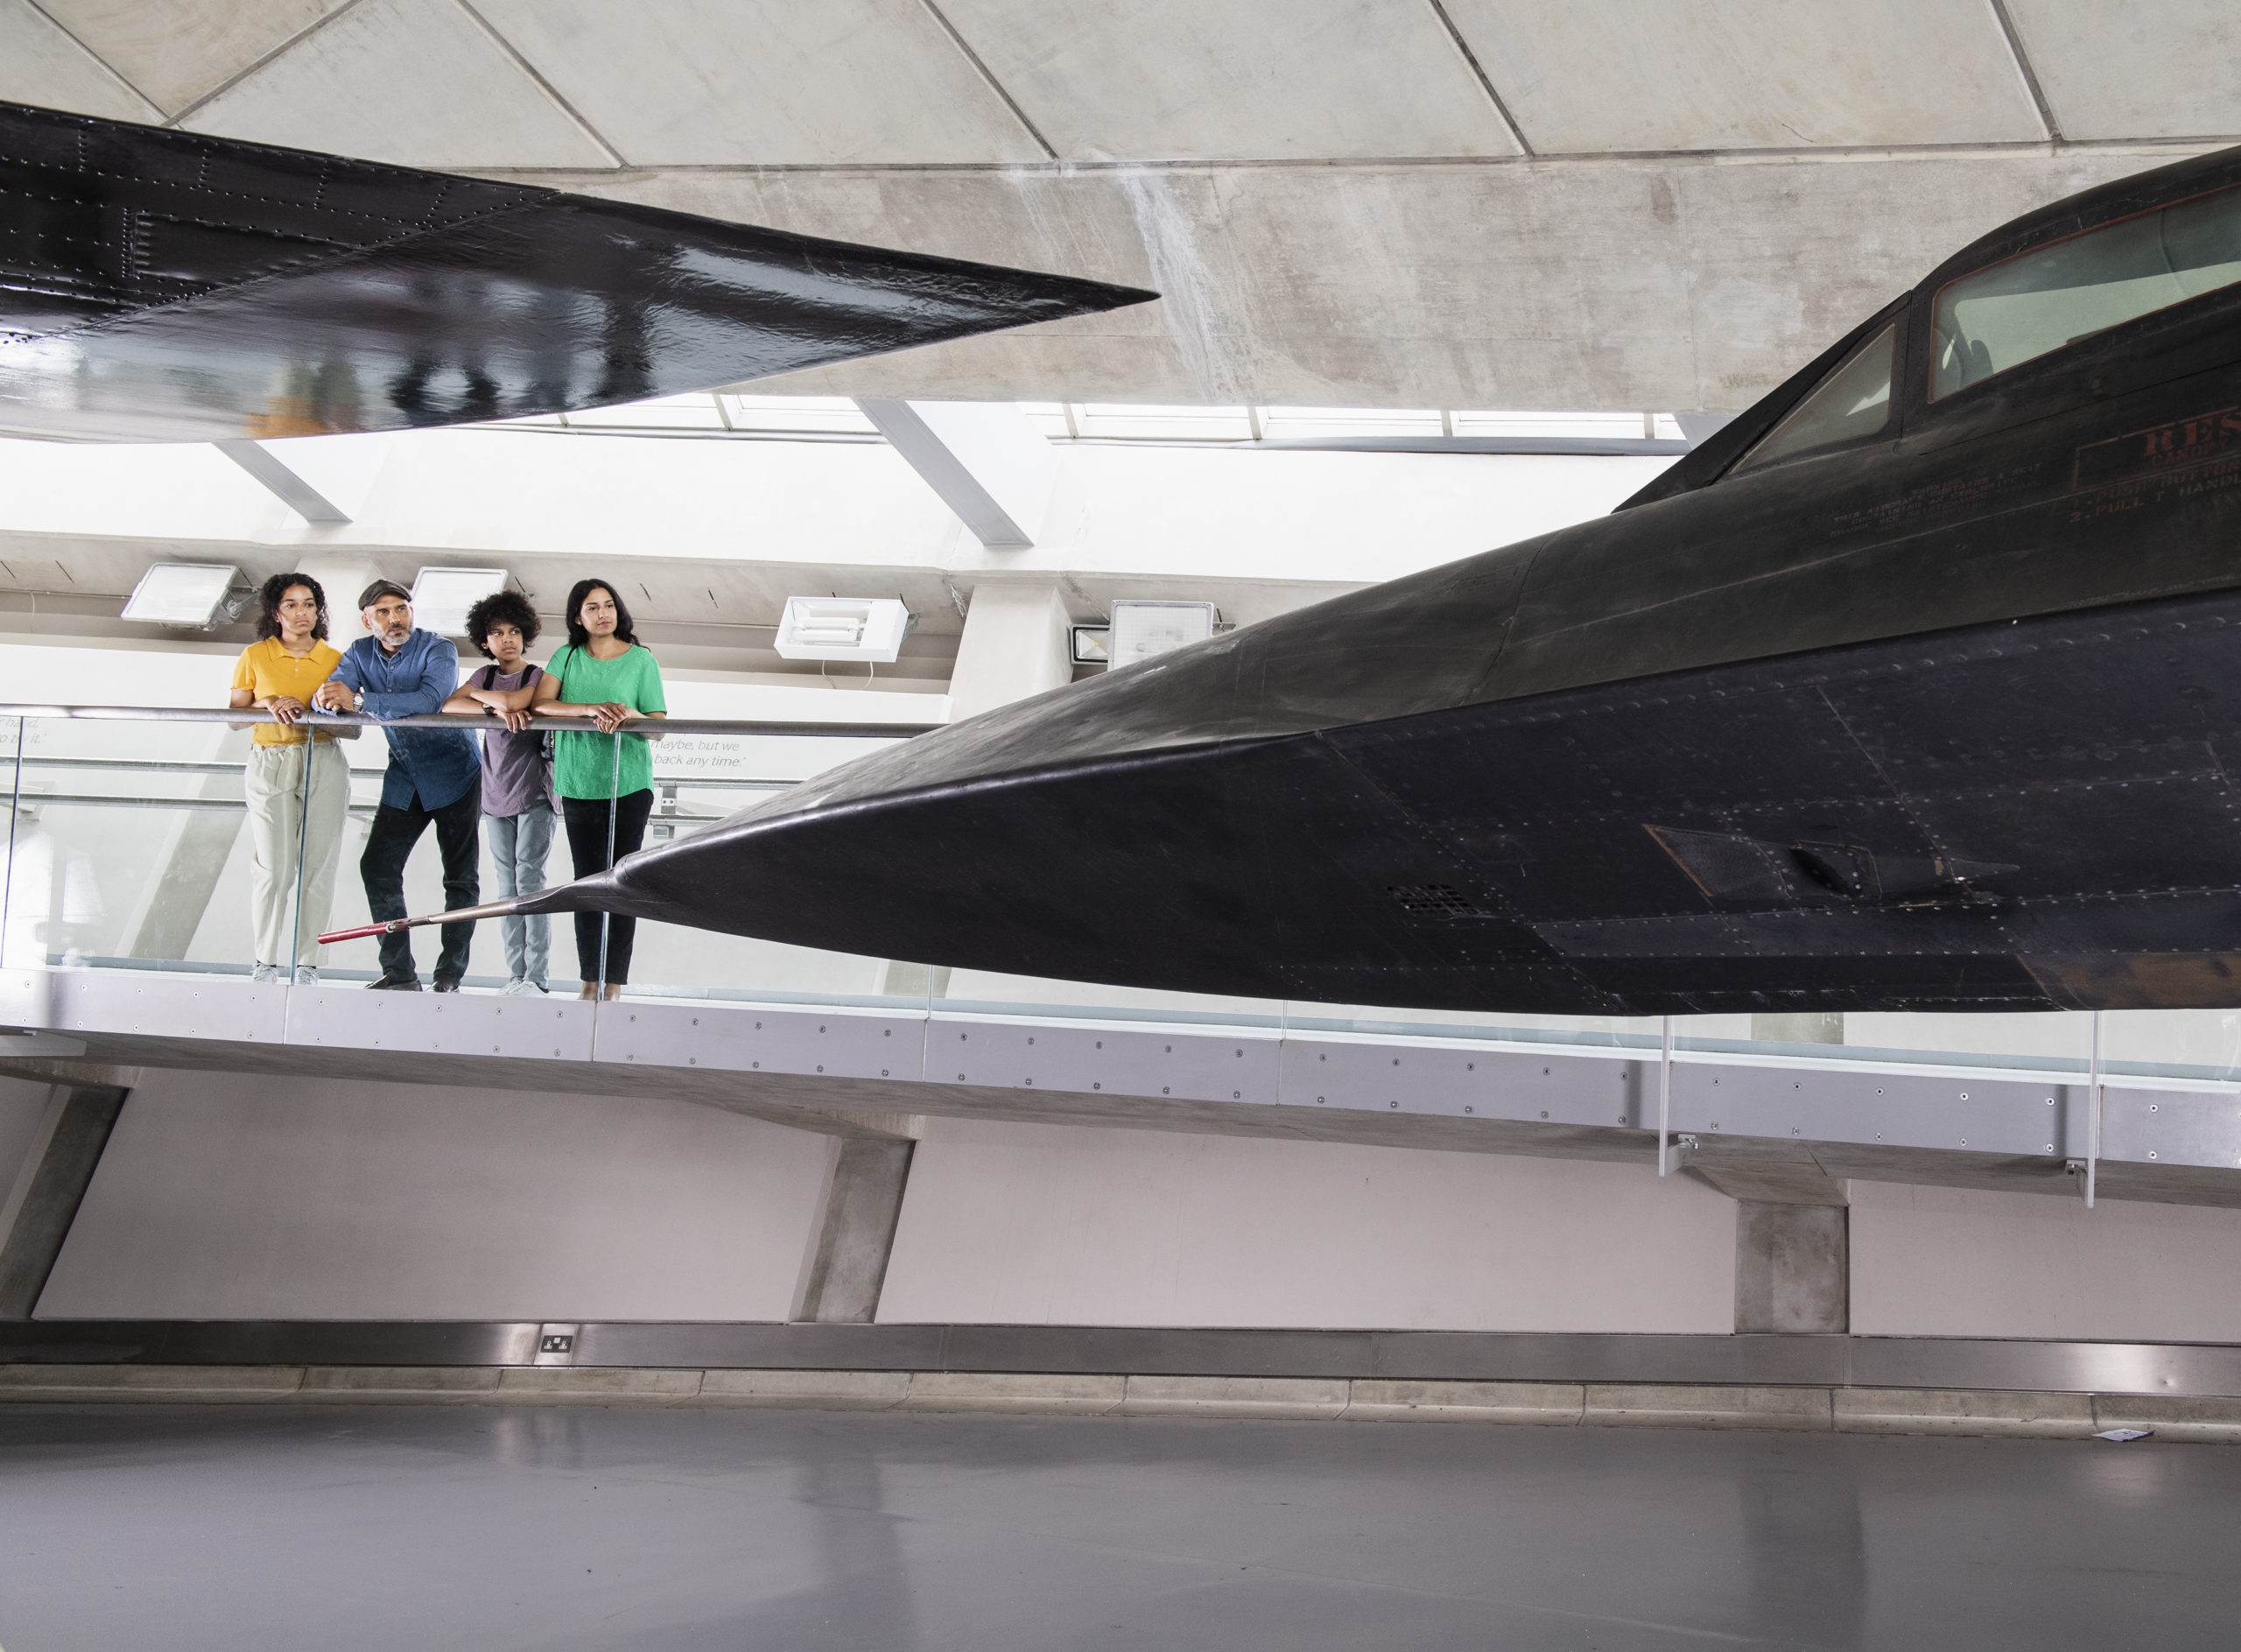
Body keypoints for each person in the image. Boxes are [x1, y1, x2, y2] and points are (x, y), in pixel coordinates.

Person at [313, 580, 480, 991]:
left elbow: (429, 700)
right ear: (367, 620)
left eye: (402, 609)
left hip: (456, 773)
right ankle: (400, 974)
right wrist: (324, 699)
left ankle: (449, 976)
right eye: (383, 613)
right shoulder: (358, 652)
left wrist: (359, 701)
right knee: (378, 866)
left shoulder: (439, 649)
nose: (395, 619)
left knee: (459, 879)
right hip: (405, 775)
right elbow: (333, 695)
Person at [529, 579, 666, 999]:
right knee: (586, 884)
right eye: (593, 608)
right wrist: (590, 709)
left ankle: (614, 986)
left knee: (624, 884)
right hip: (578, 781)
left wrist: (630, 714)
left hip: (628, 784)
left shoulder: (642, 659)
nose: (603, 613)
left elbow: (659, 726)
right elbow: (540, 705)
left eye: (608, 605)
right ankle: (590, 981)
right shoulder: (566, 656)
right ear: (578, 617)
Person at [227, 573, 349, 985]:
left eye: (310, 604)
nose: (302, 613)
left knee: (319, 867)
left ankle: (309, 964)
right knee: (274, 869)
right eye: (292, 605)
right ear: (276, 612)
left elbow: (353, 726)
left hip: (324, 759)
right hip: (270, 760)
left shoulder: (336, 659)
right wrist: (266, 701)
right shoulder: (256, 655)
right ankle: (265, 961)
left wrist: (324, 707)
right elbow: (234, 719)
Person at [443, 591, 555, 996]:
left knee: (530, 881)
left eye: (514, 632)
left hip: (535, 791)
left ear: (525, 636)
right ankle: (515, 975)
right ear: (484, 640)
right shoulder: (483, 677)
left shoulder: (538, 676)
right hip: (494, 793)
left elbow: (517, 700)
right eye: (496, 633)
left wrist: (482, 699)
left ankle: (537, 978)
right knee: (505, 888)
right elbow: (449, 708)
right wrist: (491, 706)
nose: (507, 639)